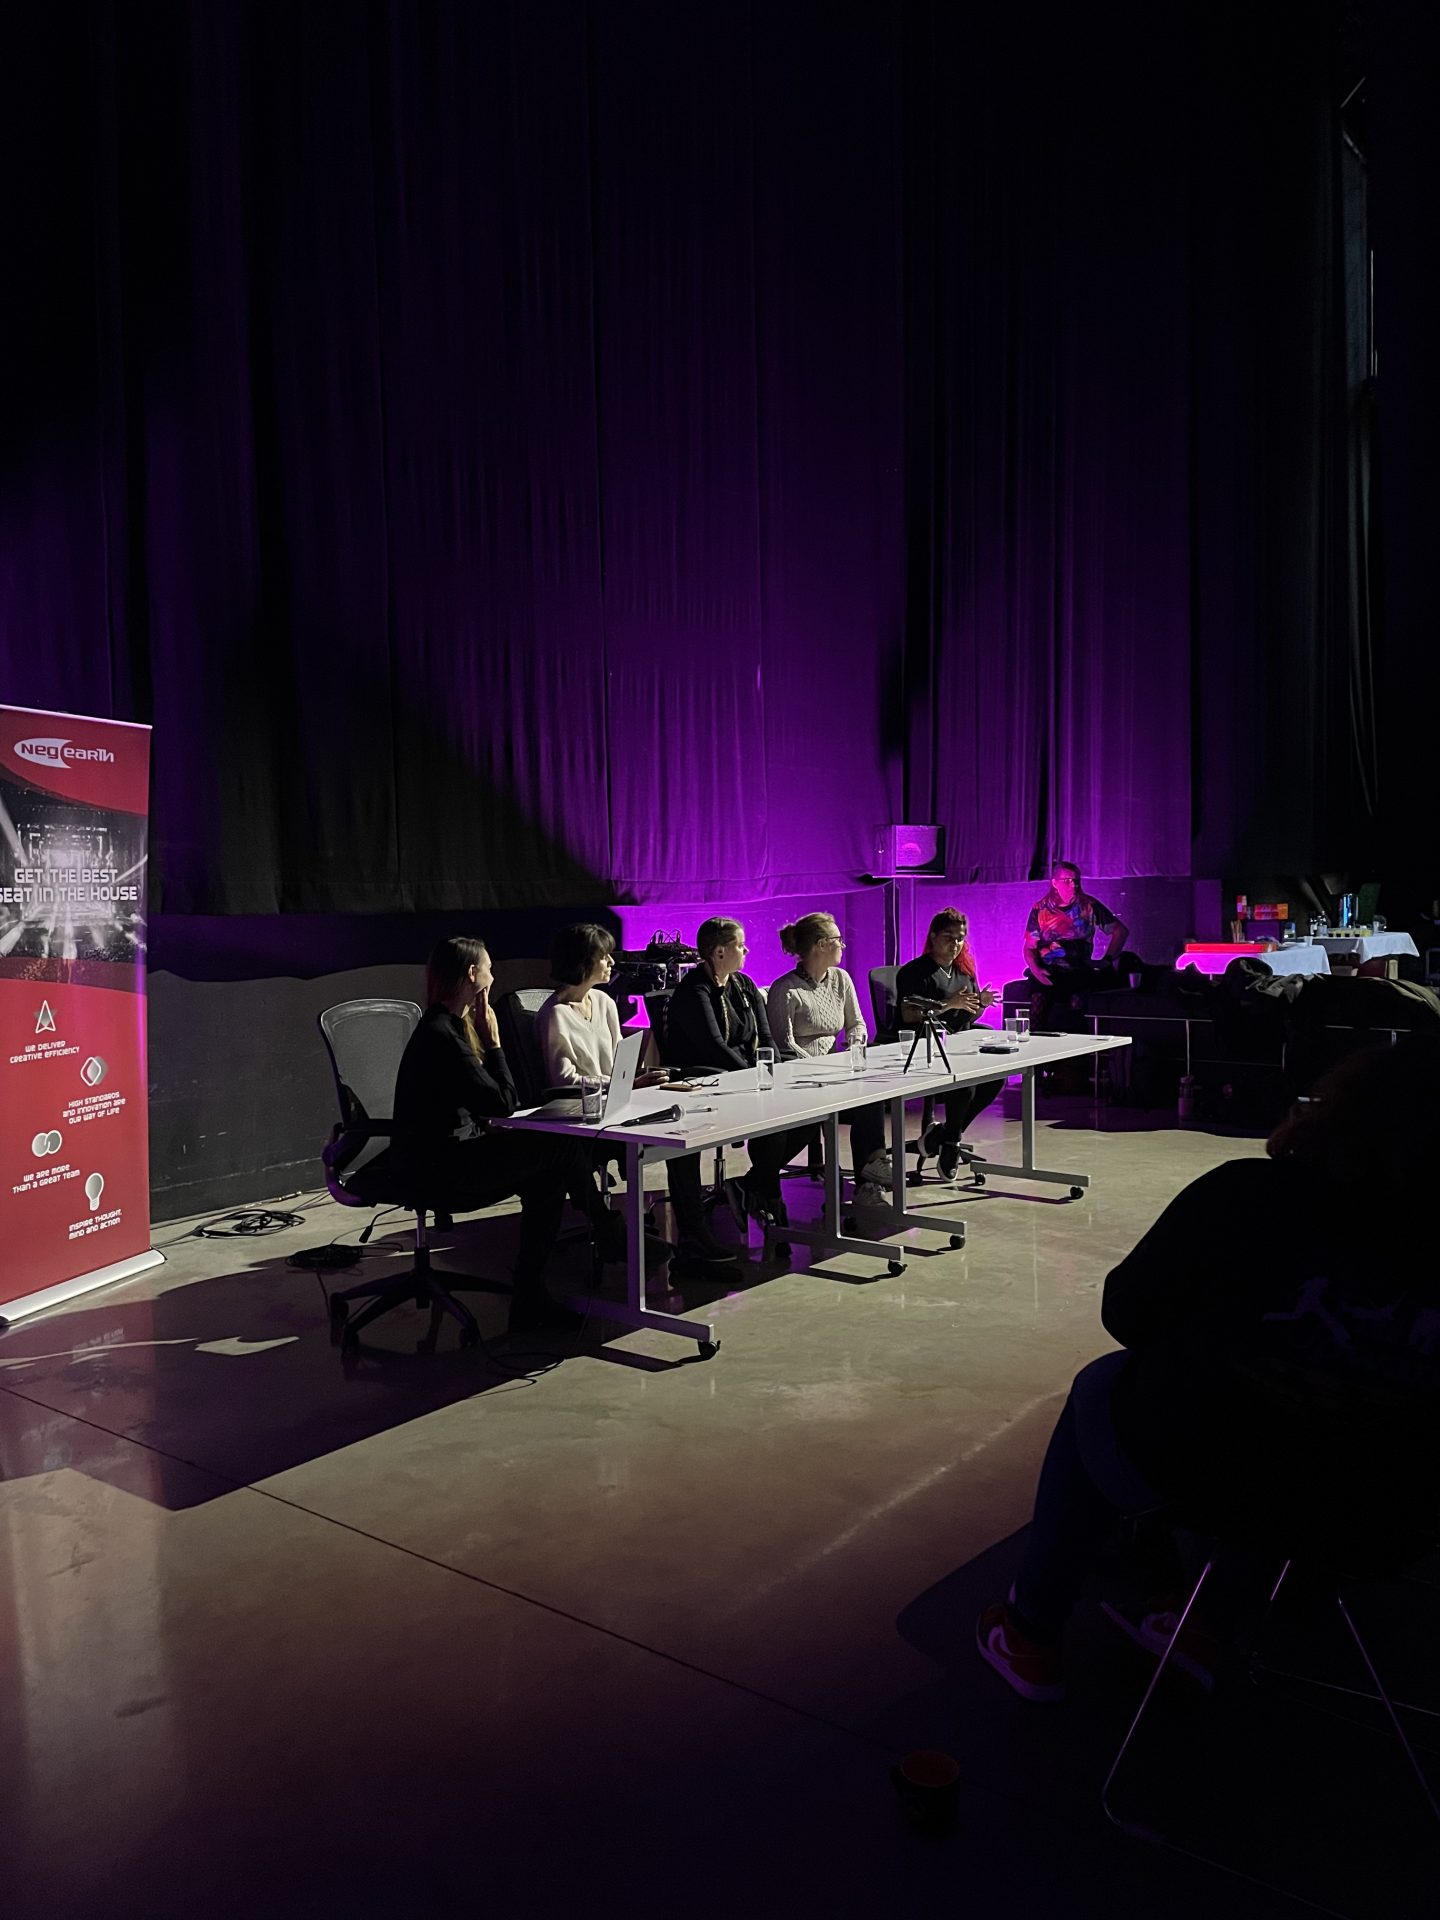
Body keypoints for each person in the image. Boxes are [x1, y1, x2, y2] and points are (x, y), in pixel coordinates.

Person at [977, 1036, 1440, 1703]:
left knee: (1105, 1384)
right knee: (1310, 1441)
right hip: (1385, 1519)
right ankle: (1203, 1622)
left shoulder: (1249, 1194)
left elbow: (1127, 1311)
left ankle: (1031, 1632)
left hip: (1216, 1477)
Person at [392, 936, 622, 1331]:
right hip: (440, 1166)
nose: (493, 976)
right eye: (489, 968)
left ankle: (534, 1293)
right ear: (472, 974)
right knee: (560, 1148)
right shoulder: (444, 1035)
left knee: (550, 1171)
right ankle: (605, 1232)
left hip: (450, 1153)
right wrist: (495, 1043)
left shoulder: (448, 1026)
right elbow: (502, 1102)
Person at [662, 916, 812, 1261]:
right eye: (739, 946)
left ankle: (752, 1185)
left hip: (746, 1076)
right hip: (706, 1081)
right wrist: (754, 1080)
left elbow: (766, 1037)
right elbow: (714, 1046)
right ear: (719, 952)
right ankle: (763, 1197)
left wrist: (774, 1074)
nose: (746, 951)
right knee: (775, 1129)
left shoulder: (744, 985)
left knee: (808, 1115)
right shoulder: (694, 991)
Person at [766, 911, 888, 1204]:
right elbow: (784, 1047)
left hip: (834, 1073)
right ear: (821, 945)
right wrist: (823, 1067)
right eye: (838, 940)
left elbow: (856, 1024)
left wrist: (855, 1045)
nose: (842, 945)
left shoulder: (841, 979)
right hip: (801, 1079)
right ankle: (869, 1176)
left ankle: (870, 1174)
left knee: (873, 1092)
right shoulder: (786, 990)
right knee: (858, 1099)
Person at [894, 906, 1003, 1178]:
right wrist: (948, 1004)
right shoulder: (914, 972)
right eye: (948, 937)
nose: (955, 944)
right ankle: (950, 1143)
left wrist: (982, 1004)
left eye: (960, 938)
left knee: (996, 1076)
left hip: (959, 1040)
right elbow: (909, 1014)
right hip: (927, 1043)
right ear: (933, 937)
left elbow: (969, 1014)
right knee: (966, 1081)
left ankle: (943, 1135)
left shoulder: (964, 971)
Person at [534, 922, 670, 1090]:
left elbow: (620, 1066)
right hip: (581, 1102)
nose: (611, 962)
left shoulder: (604, 1002)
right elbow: (563, 1080)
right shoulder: (555, 1014)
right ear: (582, 962)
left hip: (616, 1095)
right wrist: (621, 1084)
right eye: (604, 956)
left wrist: (636, 1080)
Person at [1023, 861, 1129, 1030]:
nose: (1073, 885)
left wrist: (1107, 960)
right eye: (1067, 880)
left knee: (1076, 1012)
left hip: (1078, 972)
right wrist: (1036, 970)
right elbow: (1029, 947)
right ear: (1055, 883)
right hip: (1048, 971)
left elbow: (1120, 931)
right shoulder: (1040, 909)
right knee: (1038, 1009)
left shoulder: (1089, 906)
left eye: (1076, 880)